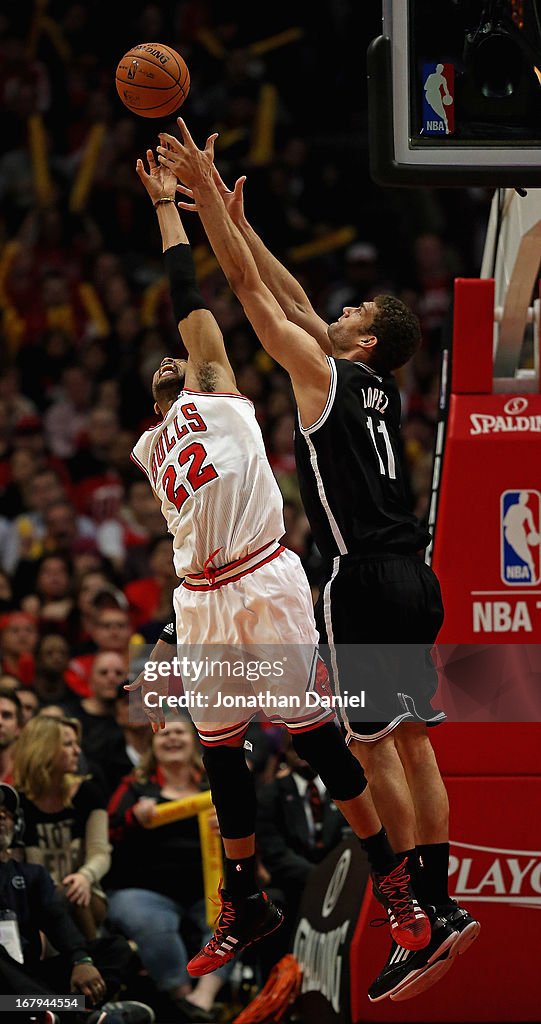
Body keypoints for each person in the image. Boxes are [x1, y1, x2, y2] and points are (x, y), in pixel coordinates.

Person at [156, 119, 480, 1000]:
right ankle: (442, 906)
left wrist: (208, 217)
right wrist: (233, 210)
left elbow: (257, 299)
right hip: (416, 577)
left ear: (365, 341)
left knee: (377, 754)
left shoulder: (328, 373)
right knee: (414, 745)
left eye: (351, 315)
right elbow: (294, 300)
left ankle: (420, 911)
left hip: (363, 582)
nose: (334, 314)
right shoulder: (375, 385)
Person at [106, 717, 231, 1022]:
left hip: (207, 889)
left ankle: (202, 1000)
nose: (172, 739)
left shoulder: (216, 782)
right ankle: (182, 1000)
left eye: (179, 732)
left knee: (238, 918)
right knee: (153, 923)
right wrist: (134, 818)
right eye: (164, 734)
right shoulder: (135, 786)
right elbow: (108, 833)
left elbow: (254, 832)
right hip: (146, 890)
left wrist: (231, 826)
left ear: (194, 741)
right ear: (153, 745)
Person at [0, 782, 151, 1024]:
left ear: (16, 825)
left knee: (116, 949)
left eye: (6, 813)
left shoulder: (32, 875)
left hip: (30, 982)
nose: (1, 816)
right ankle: (79, 1015)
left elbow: (56, 918)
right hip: (4, 991)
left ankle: (58, 1012)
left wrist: (81, 960)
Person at [13, 715, 111, 941]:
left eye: (77, 744)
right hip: (37, 897)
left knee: (71, 894)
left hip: (86, 893)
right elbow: (18, 864)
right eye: (68, 744)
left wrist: (85, 876)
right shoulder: (18, 803)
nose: (77, 751)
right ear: (43, 748)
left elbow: (101, 853)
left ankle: (89, 960)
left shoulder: (88, 793)